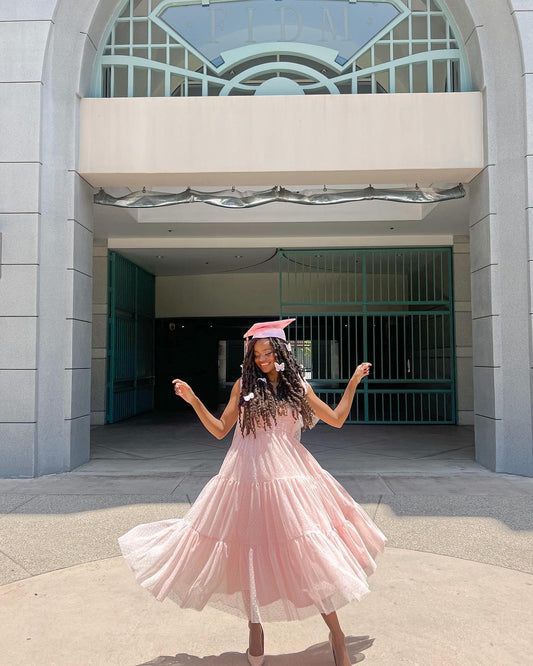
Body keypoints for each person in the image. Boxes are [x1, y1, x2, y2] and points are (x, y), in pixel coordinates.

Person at [118, 319, 387, 666]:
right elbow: (219, 430)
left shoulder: (297, 388)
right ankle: (255, 631)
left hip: (291, 479)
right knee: (248, 551)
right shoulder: (243, 387)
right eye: (256, 354)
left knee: (309, 554)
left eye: (267, 353)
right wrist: (195, 400)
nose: (261, 359)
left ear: (281, 353)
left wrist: (352, 382)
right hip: (245, 478)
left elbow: (335, 418)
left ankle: (336, 634)